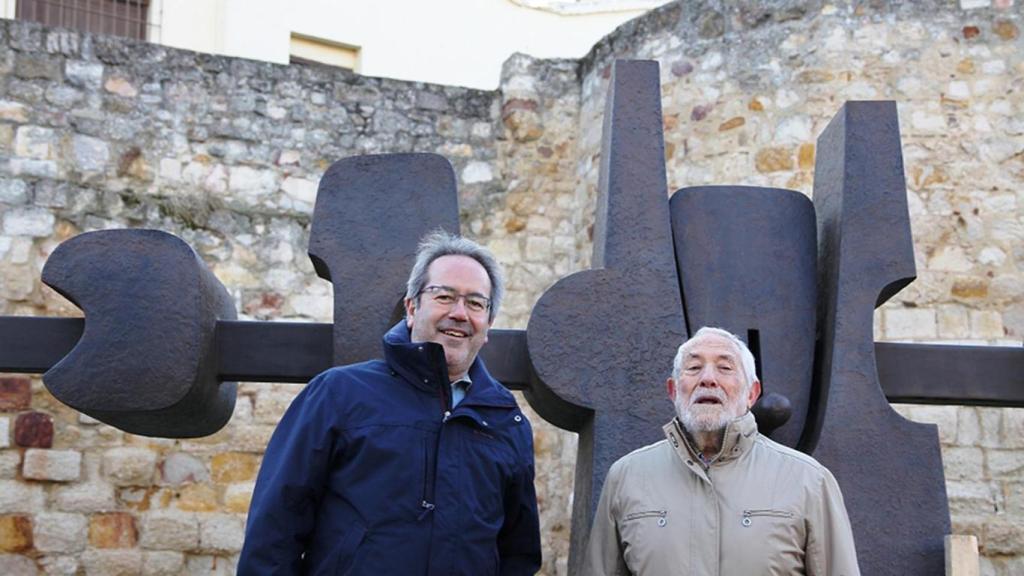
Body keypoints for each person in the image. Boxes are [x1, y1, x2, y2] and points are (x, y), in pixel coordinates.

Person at [239, 230, 541, 575]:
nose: (459, 313)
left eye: (475, 303)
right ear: (412, 308)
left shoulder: (506, 423)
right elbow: (274, 532)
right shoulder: (338, 394)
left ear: (487, 326)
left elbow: (518, 555)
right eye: (444, 296)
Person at [584, 327, 860, 575]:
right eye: (693, 368)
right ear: (673, 390)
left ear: (752, 394)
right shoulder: (627, 477)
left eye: (725, 368)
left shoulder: (808, 480)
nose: (708, 379)